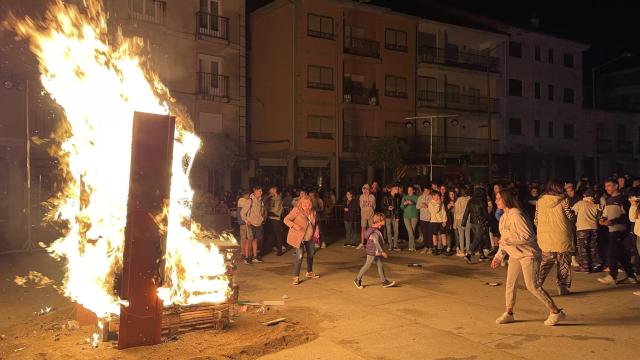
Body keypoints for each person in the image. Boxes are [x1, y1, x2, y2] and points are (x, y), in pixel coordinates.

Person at [491, 189, 566, 326]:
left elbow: (529, 236)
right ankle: (509, 312)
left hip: (528, 255)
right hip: (515, 255)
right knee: (510, 284)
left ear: (506, 200)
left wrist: (509, 241)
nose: (496, 201)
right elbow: (504, 239)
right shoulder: (503, 217)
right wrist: (498, 256)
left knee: (532, 286)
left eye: (498, 198)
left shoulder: (517, 215)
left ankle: (555, 312)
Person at [535, 180, 575, 296]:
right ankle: (562, 288)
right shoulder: (564, 200)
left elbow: (536, 220)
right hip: (562, 237)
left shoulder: (540, 201)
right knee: (564, 264)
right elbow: (570, 216)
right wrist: (573, 212)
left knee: (545, 263)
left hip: (545, 238)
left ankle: (537, 285)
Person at [598, 179, 638, 285]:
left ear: (616, 186)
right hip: (612, 229)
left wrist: (613, 221)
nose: (607, 188)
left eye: (609, 185)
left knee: (611, 251)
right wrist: (602, 219)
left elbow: (627, 216)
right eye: (606, 186)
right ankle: (631, 277)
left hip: (620, 229)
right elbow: (605, 213)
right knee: (621, 254)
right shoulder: (608, 200)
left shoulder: (623, 199)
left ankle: (612, 276)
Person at [353, 213, 397, 289]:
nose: (384, 221)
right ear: (379, 221)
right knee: (367, 265)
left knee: (380, 265)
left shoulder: (375, 229)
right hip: (373, 251)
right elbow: (376, 242)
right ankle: (357, 279)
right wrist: (382, 252)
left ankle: (384, 282)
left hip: (375, 251)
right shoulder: (374, 232)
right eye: (383, 220)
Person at [284, 195, 320, 285]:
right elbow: (286, 219)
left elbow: (315, 223)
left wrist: (317, 231)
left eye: (308, 203)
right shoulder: (296, 210)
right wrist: (294, 225)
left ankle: (309, 272)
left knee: (311, 254)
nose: (306, 205)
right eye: (304, 203)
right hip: (299, 237)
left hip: (309, 237)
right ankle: (296, 277)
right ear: (301, 203)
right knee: (299, 256)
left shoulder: (313, 212)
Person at [571, 189, 602, 272]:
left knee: (583, 248)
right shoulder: (596, 205)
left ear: (584, 195)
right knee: (593, 247)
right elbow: (599, 216)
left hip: (582, 229)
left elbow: (572, 212)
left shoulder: (580, 204)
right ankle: (595, 265)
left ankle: (585, 267)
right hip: (594, 228)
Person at [462, 187, 490, 263]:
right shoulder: (482, 202)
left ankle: (481, 255)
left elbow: (466, 212)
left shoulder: (470, 201)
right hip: (480, 223)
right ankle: (468, 254)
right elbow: (485, 214)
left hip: (472, 222)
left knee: (479, 238)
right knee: (478, 239)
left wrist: (463, 223)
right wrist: (487, 221)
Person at [240, 186, 266, 263]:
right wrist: (246, 220)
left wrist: (261, 219)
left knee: (255, 240)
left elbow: (262, 212)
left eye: (261, 191)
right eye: (260, 191)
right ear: (255, 191)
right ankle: (246, 257)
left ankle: (255, 257)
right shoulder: (250, 201)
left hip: (258, 224)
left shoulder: (261, 201)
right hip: (250, 224)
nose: (261, 193)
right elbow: (242, 212)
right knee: (248, 241)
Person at [266, 186, 285, 256]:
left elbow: (276, 209)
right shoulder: (271, 198)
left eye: (270, 191)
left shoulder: (278, 198)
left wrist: (269, 210)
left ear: (274, 190)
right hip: (271, 217)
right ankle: (274, 247)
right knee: (272, 234)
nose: (269, 192)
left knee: (278, 234)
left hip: (276, 218)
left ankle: (280, 249)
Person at [382, 184, 402, 251]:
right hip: (388, 215)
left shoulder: (398, 197)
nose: (397, 190)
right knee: (389, 231)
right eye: (396, 189)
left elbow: (399, 208)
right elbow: (382, 205)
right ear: (393, 189)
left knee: (396, 231)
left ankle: (395, 245)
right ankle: (390, 245)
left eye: (398, 189)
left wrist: (398, 216)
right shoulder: (386, 196)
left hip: (395, 215)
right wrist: (387, 207)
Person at [358, 184, 376, 249]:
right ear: (363, 190)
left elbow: (374, 206)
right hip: (363, 216)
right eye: (364, 189)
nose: (366, 191)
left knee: (371, 230)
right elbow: (361, 206)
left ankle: (371, 243)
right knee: (363, 229)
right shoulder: (361, 197)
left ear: (369, 190)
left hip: (371, 215)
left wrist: (370, 210)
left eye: (367, 189)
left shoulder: (372, 197)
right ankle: (362, 243)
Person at [237, 189, 252, 264]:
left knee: (243, 238)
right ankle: (244, 252)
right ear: (245, 195)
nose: (249, 196)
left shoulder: (241, 201)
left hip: (242, 222)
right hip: (244, 222)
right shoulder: (242, 201)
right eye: (248, 194)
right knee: (245, 238)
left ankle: (243, 252)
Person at [401, 186, 419, 251]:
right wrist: (404, 204)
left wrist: (413, 203)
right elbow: (402, 207)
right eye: (408, 190)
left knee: (412, 231)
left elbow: (418, 207)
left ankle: (411, 247)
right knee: (410, 231)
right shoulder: (405, 197)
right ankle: (412, 247)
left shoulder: (416, 197)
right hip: (406, 217)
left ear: (413, 191)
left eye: (411, 190)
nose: (409, 191)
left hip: (414, 216)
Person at [454, 188, 471, 256]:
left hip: (460, 218)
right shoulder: (470, 199)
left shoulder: (458, 200)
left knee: (461, 235)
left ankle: (462, 250)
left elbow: (456, 211)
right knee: (468, 234)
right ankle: (468, 250)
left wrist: (454, 223)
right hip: (468, 218)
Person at [417, 187, 432, 254]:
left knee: (430, 233)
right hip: (422, 218)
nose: (426, 192)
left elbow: (432, 206)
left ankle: (430, 248)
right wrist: (421, 205)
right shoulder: (420, 197)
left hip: (429, 218)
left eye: (428, 190)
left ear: (429, 191)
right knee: (424, 233)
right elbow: (417, 206)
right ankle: (426, 247)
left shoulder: (431, 197)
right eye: (425, 190)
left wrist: (427, 205)